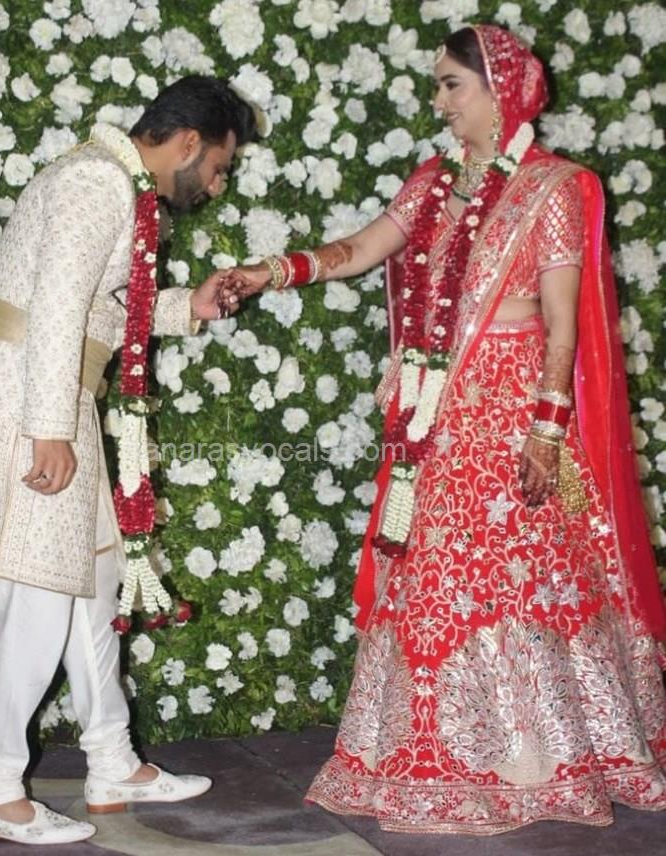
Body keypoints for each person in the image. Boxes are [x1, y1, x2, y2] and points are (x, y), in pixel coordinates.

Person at [217, 26, 666, 834]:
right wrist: (270, 272)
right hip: (435, 413)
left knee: (530, 569)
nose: (439, 101)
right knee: (431, 569)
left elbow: (563, 323)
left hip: (517, 410)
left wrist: (546, 431)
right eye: (438, 85)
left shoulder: (554, 187)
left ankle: (543, 757)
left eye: (452, 84)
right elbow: (361, 249)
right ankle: (434, 750)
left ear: (501, 91)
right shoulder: (433, 182)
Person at [0, 75, 256, 845]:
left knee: (92, 585)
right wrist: (50, 430)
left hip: (53, 396)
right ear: (188, 142)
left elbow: (97, 307)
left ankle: (112, 761)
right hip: (33, 399)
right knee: (38, 595)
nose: (216, 184)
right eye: (219, 166)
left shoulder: (107, 179)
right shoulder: (97, 181)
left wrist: (186, 306)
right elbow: (58, 308)